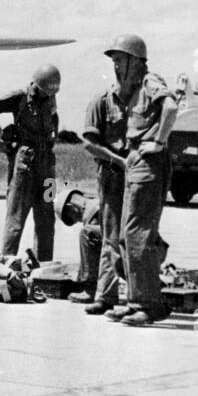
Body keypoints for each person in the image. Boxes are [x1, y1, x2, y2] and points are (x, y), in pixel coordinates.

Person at [108, 35, 178, 327]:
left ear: (135, 61)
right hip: (136, 163)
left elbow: (171, 107)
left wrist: (159, 142)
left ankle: (150, 304)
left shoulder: (150, 81)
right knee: (126, 237)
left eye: (120, 60)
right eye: (114, 62)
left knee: (139, 236)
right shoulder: (134, 90)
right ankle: (135, 300)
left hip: (149, 165)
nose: (115, 66)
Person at [0, 63, 60, 261]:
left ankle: (44, 267)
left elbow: (54, 117)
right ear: (36, 85)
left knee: (47, 217)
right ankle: (8, 264)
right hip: (26, 162)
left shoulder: (50, 97)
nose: (44, 96)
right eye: (41, 92)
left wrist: (54, 137)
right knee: (16, 215)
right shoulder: (19, 97)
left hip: (48, 166)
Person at [70, 74, 130, 313]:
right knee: (111, 235)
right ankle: (106, 296)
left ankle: (140, 296)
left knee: (135, 235)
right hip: (113, 174)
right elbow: (89, 143)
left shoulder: (138, 103)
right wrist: (117, 159)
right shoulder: (101, 103)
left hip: (136, 174)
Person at [55, 187, 114, 300]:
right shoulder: (96, 202)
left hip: (124, 247)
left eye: (71, 218)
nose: (77, 221)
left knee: (86, 233)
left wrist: (81, 276)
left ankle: (89, 289)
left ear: (71, 207)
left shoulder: (91, 212)